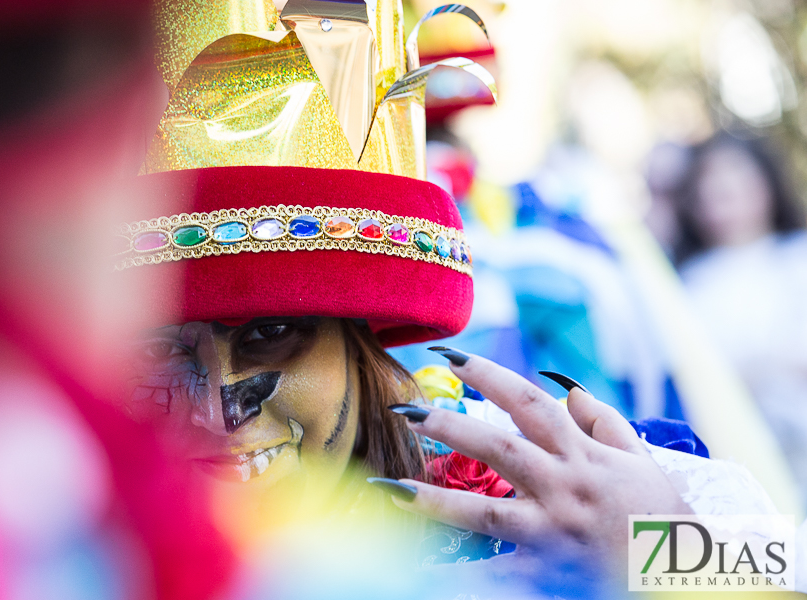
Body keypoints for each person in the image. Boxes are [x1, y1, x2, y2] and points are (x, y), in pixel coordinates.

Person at [113, 0, 783, 589]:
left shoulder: (536, 485)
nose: (216, 414)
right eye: (153, 354)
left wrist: (654, 550)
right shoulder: (48, 538)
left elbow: (776, 565)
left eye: (267, 334)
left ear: (356, 339)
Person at [672, 132, 807, 510]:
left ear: (766, 186)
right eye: (709, 194)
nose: (721, 206)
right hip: (736, 463)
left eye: (733, 190)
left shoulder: (797, 257)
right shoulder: (690, 281)